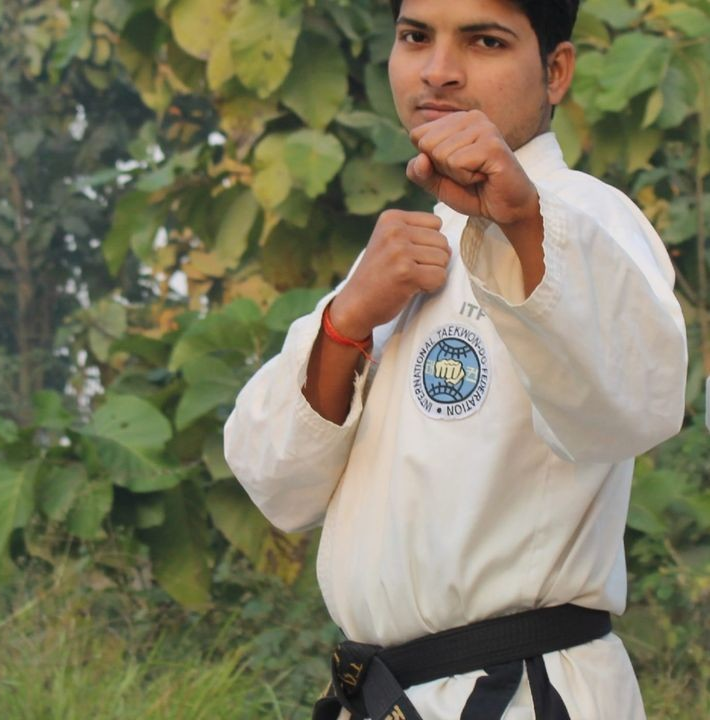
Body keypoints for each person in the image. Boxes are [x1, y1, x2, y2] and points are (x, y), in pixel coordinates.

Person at [224, 0, 688, 718]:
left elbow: (635, 407)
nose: (438, 71)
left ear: (555, 71)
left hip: (520, 691)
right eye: (415, 37)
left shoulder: (586, 218)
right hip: (386, 692)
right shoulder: (402, 246)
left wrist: (523, 221)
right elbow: (277, 483)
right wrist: (346, 322)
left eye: (485, 41)